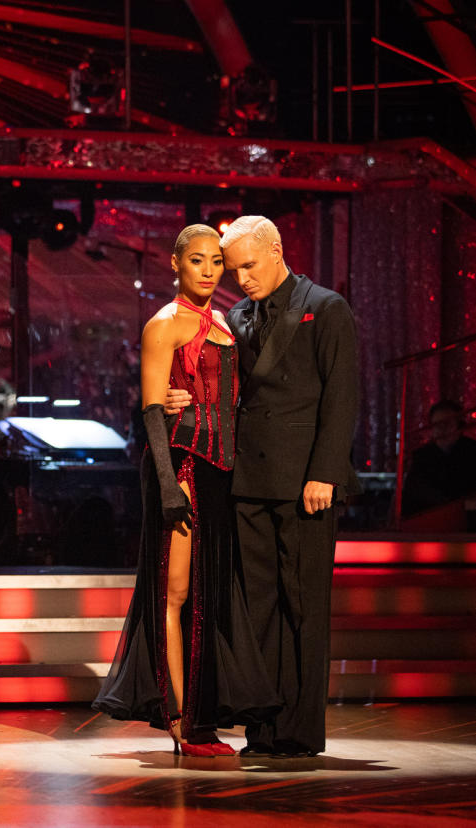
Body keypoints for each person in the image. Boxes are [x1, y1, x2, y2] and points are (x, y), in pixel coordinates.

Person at [169, 215, 360, 758]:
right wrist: (177, 396)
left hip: (305, 481)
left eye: (249, 265)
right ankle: (264, 727)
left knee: (303, 606)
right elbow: (221, 388)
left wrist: (325, 470)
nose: (242, 277)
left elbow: (341, 395)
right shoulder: (235, 316)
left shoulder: (326, 307)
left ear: (276, 251)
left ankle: (298, 733)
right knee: (258, 608)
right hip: (248, 480)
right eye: (235, 269)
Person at [93, 224, 280, 756]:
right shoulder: (163, 326)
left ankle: (202, 716)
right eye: (196, 260)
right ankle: (178, 719)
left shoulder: (223, 321)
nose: (208, 270)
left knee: (208, 596)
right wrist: (169, 489)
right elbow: (153, 411)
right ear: (174, 263)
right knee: (175, 594)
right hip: (183, 468)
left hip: (222, 474)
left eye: (215, 262)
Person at [402, 399, 476, 520]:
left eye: (447, 424)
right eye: (437, 425)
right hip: (429, 525)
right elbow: (411, 498)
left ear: (459, 425)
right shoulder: (422, 457)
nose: (442, 430)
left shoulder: (472, 452)